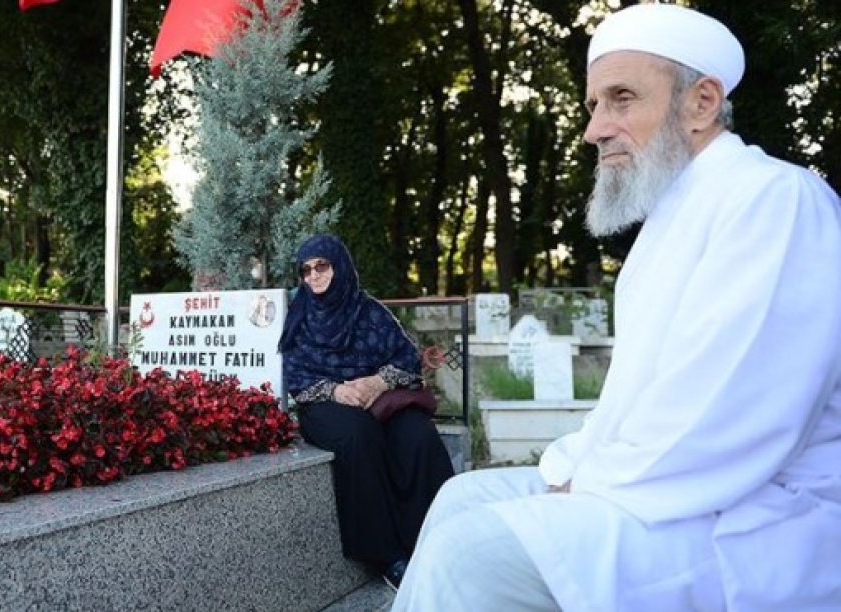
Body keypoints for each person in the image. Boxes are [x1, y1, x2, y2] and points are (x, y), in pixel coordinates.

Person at [394, 5, 841, 611]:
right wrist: (569, 471)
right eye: (593, 105)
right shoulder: (670, 220)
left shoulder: (775, 199)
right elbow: (630, 405)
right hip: (669, 488)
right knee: (461, 497)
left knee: (471, 552)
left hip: (755, 515)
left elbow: (734, 415)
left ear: (701, 103)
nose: (594, 130)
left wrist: (588, 485)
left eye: (621, 99)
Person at [278, 234, 455, 589]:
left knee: (418, 434)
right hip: (323, 403)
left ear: (340, 266)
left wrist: (378, 382)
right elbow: (295, 377)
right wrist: (336, 390)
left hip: (380, 397)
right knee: (357, 434)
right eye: (306, 270)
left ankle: (439, 538)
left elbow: (406, 358)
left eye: (322, 265)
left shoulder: (369, 310)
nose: (314, 275)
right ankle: (387, 555)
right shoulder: (300, 317)